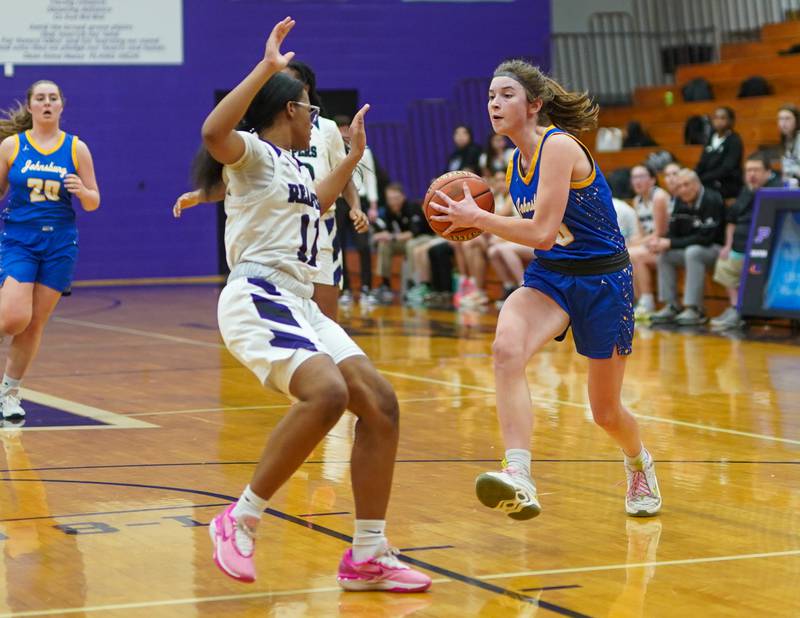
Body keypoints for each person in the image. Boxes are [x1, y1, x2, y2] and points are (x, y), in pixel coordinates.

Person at [196, 18, 430, 591]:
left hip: (301, 301)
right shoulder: (250, 152)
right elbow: (211, 130)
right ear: (290, 111)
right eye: (306, 105)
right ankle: (240, 517)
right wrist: (267, 68)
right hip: (257, 293)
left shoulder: (298, 163)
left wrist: (351, 158)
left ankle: (368, 554)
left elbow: (320, 201)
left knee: (380, 404)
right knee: (327, 393)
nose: (312, 113)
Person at [429, 59, 661, 519]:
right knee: (505, 349)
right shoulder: (516, 160)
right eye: (491, 96)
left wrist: (477, 218)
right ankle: (519, 474)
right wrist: (481, 220)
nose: (495, 103)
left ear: (534, 105)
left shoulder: (558, 147)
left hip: (602, 281)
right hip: (551, 276)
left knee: (605, 413)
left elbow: (541, 231)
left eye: (507, 95)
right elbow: (546, 246)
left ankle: (639, 463)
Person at [173, 65, 368, 321]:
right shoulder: (258, 147)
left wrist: (354, 162)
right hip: (267, 266)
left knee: (332, 335)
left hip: (314, 227)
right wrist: (202, 194)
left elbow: (319, 198)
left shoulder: (317, 137)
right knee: (310, 349)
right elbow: (219, 146)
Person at [0, 80, 100, 420]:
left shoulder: (76, 148)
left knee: (33, 325)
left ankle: (9, 394)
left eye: (52, 98)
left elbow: (94, 201)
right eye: (40, 98)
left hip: (59, 243)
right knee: (13, 316)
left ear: (61, 105)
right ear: (30, 106)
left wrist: (83, 190)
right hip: (19, 239)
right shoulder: (12, 146)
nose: (46, 103)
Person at [710, 152, 781, 330]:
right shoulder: (746, 190)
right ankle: (737, 308)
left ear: (768, 171)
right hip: (739, 248)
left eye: (756, 170)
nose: (751, 175)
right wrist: (727, 245)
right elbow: (732, 220)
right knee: (724, 262)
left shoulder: (777, 190)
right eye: (748, 170)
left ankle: (745, 311)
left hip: (763, 249)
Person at [647, 169, 724, 326]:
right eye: (679, 186)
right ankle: (672, 305)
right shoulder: (680, 200)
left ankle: (695, 308)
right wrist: (661, 242)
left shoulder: (712, 199)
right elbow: (674, 233)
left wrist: (671, 243)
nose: (682, 189)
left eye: (686, 185)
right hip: (690, 248)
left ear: (696, 184)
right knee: (665, 254)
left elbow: (706, 238)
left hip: (715, 249)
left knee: (693, 252)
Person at [334, 114, 378, 305]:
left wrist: (374, 204)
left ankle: (367, 288)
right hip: (339, 201)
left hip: (361, 200)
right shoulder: (332, 149)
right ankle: (347, 290)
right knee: (340, 246)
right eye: (340, 128)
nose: (344, 132)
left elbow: (371, 178)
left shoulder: (363, 150)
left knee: (363, 245)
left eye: (346, 128)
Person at [626, 164, 671, 318]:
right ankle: (638, 302)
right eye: (634, 177)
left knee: (635, 254)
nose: (637, 181)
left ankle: (647, 301)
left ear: (652, 180)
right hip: (650, 244)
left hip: (665, 244)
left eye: (641, 176)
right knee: (626, 253)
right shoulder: (637, 200)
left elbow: (660, 232)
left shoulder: (659, 197)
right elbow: (642, 233)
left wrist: (632, 245)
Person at [695, 106, 743, 199]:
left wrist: (702, 179)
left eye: (723, 118)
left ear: (731, 121)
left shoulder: (734, 140)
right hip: (707, 181)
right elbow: (702, 162)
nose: (718, 121)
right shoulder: (711, 138)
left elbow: (727, 168)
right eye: (716, 118)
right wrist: (693, 175)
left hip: (727, 183)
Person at [777, 104, 800, 183]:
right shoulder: (785, 140)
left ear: (796, 121)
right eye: (781, 119)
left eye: (787, 118)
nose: (783, 123)